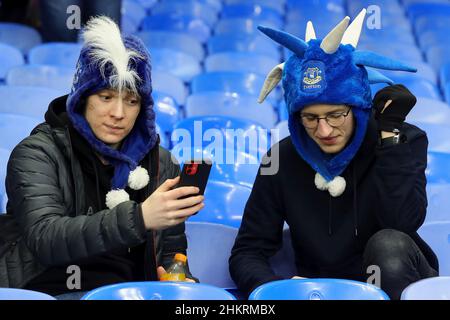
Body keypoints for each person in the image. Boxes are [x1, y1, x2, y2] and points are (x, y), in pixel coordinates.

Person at [229, 10, 438, 300]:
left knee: (388, 244)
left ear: (359, 108)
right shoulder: (281, 159)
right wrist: (278, 289)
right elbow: (248, 251)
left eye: (336, 115)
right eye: (310, 118)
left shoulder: (401, 140)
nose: (324, 130)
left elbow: (401, 224)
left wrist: (389, 138)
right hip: (320, 293)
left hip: (398, 280)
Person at [0, 16, 203, 299]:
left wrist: (177, 276)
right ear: (82, 99)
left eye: (131, 101)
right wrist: (140, 217)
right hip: (49, 288)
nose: (118, 113)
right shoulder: (37, 153)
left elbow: (170, 250)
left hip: (129, 293)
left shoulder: (161, 163)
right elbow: (45, 238)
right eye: (106, 97)